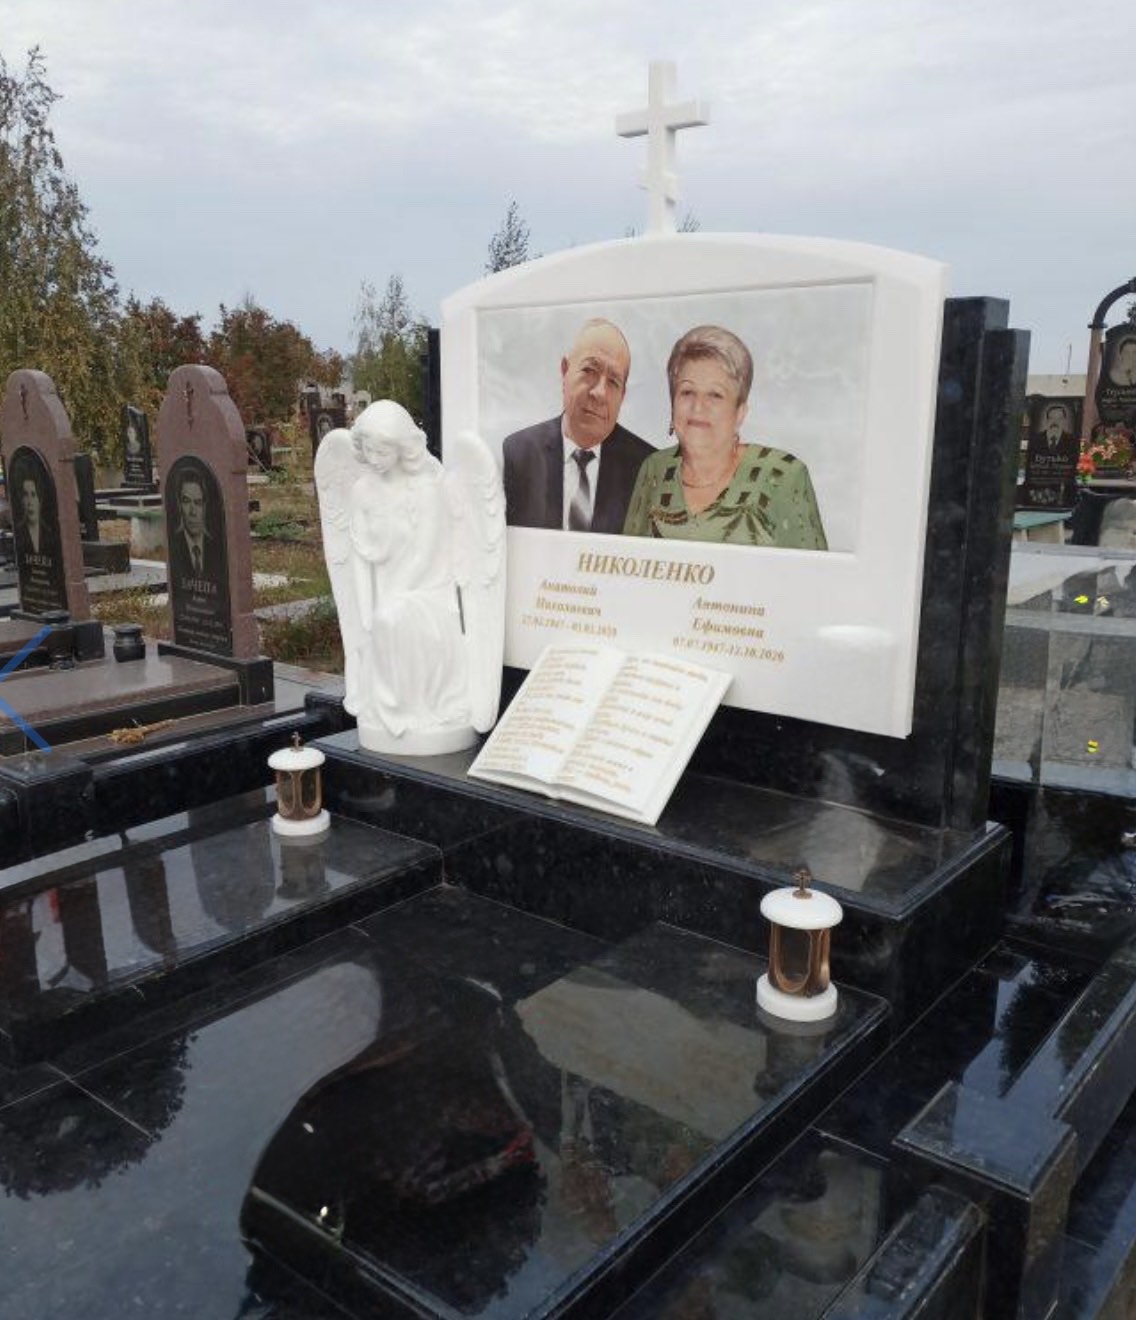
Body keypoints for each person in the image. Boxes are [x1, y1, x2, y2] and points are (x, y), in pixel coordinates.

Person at [622, 325, 828, 549]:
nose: (698, 407)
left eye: (715, 395)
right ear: (673, 404)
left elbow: (815, 571)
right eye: (687, 392)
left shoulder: (783, 476)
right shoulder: (654, 469)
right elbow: (627, 562)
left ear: (740, 413)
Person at [348, 401, 468, 740]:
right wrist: (366, 611)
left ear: (403, 447)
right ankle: (391, 710)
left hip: (427, 589)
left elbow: (426, 553)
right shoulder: (361, 491)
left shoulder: (426, 488)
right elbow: (359, 558)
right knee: (379, 623)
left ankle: (411, 710)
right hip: (385, 588)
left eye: (382, 451)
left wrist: (392, 603)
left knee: (391, 620)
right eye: (368, 450)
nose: (374, 459)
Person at [503, 318, 653, 532]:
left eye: (613, 382)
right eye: (590, 370)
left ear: (622, 395)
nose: (599, 393)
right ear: (565, 371)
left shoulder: (646, 469)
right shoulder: (518, 454)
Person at [168, 469, 223, 586]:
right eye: (186, 502)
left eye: (198, 503)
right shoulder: (174, 544)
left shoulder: (217, 546)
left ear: (205, 506)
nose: (193, 512)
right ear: (179, 505)